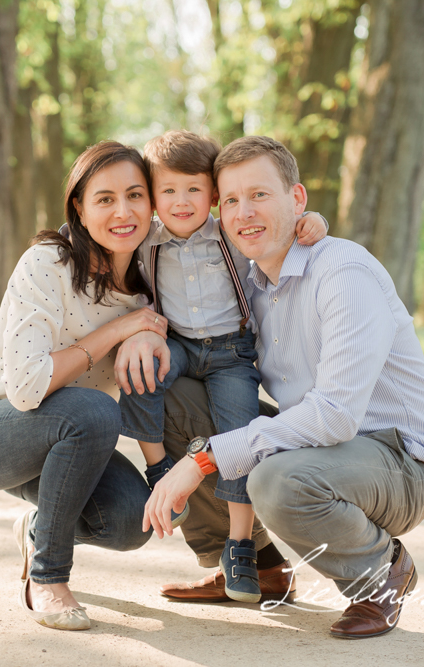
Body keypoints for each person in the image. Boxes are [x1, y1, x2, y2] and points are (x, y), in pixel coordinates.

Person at [132, 135, 424, 639]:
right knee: (172, 395)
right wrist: (138, 336)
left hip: (399, 460)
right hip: (326, 449)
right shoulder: (254, 283)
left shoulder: (342, 272)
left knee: (276, 480)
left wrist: (204, 459)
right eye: (231, 199)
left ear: (297, 199)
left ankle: (380, 575)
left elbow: (335, 416)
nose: (243, 212)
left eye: (259, 194)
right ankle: (256, 565)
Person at [0, 141, 169, 632]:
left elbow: (221, 232)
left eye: (135, 195)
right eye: (104, 199)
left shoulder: (155, 278)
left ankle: (38, 530)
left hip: (64, 443)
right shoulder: (49, 262)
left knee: (130, 520)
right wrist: (117, 331)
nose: (123, 211)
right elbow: (26, 389)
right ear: (79, 211)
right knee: (91, 411)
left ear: (153, 203)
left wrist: (306, 224)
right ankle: (48, 578)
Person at [116, 130, 327, 603]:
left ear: (213, 194)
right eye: (167, 190)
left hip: (231, 353)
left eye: (193, 189)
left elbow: (278, 226)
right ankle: (158, 470)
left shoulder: (230, 233)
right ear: (152, 197)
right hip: (180, 348)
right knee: (137, 373)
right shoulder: (146, 241)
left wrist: (311, 219)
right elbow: (93, 235)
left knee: (237, 433)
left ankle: (239, 545)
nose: (181, 201)